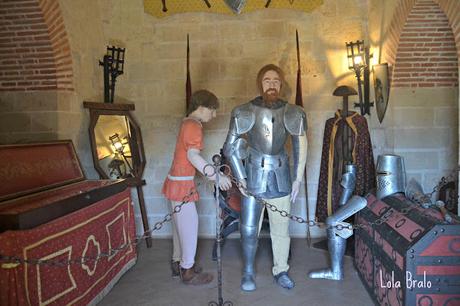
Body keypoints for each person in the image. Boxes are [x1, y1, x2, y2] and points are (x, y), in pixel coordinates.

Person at [223, 64, 307, 291]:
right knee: (249, 229)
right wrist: (240, 178)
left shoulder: (294, 112)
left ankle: (281, 270)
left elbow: (301, 146)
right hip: (252, 177)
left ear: (281, 84)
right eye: (267, 79)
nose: (272, 84)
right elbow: (229, 148)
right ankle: (248, 271)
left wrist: (297, 179)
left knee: (281, 229)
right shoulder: (244, 111)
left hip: (281, 177)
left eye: (276, 80)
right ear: (260, 83)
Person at [162, 89, 232, 285]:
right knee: (190, 227)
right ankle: (188, 271)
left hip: (175, 181)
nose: (215, 114)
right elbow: (193, 156)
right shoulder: (194, 126)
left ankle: (178, 262)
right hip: (182, 185)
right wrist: (215, 175)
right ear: (201, 108)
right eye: (213, 110)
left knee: (179, 228)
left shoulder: (186, 122)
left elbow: (186, 157)